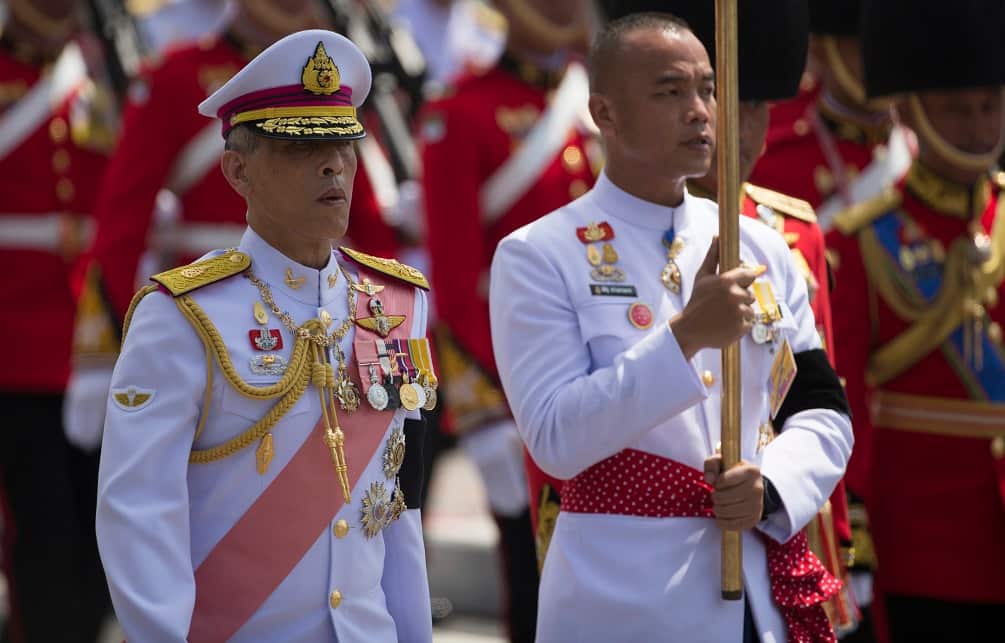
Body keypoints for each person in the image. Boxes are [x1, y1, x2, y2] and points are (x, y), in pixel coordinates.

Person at [490, 12, 853, 642]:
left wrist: (771, 486)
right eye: (670, 92)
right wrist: (685, 338)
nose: (700, 111)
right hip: (622, 601)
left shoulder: (760, 245)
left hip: (752, 595)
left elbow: (823, 409)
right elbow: (554, 438)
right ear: (605, 113)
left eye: (708, 89)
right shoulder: (540, 254)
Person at [95, 29, 435, 641]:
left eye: (344, 143)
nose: (334, 164)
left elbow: (396, 504)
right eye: (303, 149)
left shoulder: (395, 302)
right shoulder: (182, 314)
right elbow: (139, 513)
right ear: (238, 170)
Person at [66, 0, 398, 452]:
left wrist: (389, 322)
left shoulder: (334, 81)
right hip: (210, 310)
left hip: (322, 305)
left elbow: (362, 218)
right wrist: (103, 347)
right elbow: (124, 220)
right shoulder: (175, 77)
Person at [418, 0, 599, 638]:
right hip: (518, 383)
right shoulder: (458, 113)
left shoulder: (601, 99)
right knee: (535, 579)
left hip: (607, 372)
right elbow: (457, 283)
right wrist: (488, 412)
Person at [827, 1, 1005, 641]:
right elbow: (843, 398)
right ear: (910, 111)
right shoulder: (861, 240)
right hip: (922, 537)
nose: (978, 124)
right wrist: (856, 525)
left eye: (990, 105)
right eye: (958, 108)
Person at [0, 1, 116, 640]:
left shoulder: (98, 75)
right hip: (13, 341)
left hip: (93, 340)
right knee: (40, 539)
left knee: (98, 539)